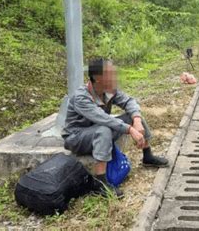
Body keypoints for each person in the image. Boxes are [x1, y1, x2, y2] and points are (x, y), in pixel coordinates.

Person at [62, 58, 168, 198]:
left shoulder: (108, 90)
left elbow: (129, 101)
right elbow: (102, 118)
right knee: (104, 129)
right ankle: (100, 184)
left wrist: (136, 120)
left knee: (134, 117)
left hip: (98, 129)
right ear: (97, 78)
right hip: (77, 137)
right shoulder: (81, 97)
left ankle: (147, 156)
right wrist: (130, 130)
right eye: (109, 73)